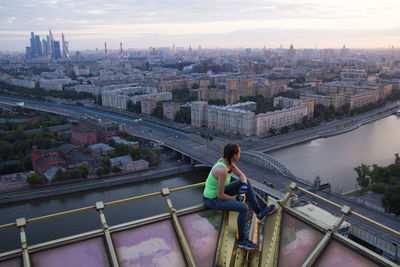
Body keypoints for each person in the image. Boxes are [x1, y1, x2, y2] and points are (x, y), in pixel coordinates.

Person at [203, 143, 276, 250]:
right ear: (234, 155)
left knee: (248, 182)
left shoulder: (228, 162)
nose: (240, 156)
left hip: (220, 192)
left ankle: (259, 212)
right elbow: (220, 195)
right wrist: (235, 198)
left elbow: (242, 176)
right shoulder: (222, 171)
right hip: (212, 199)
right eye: (239, 154)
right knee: (243, 208)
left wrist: (245, 186)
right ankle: (242, 240)